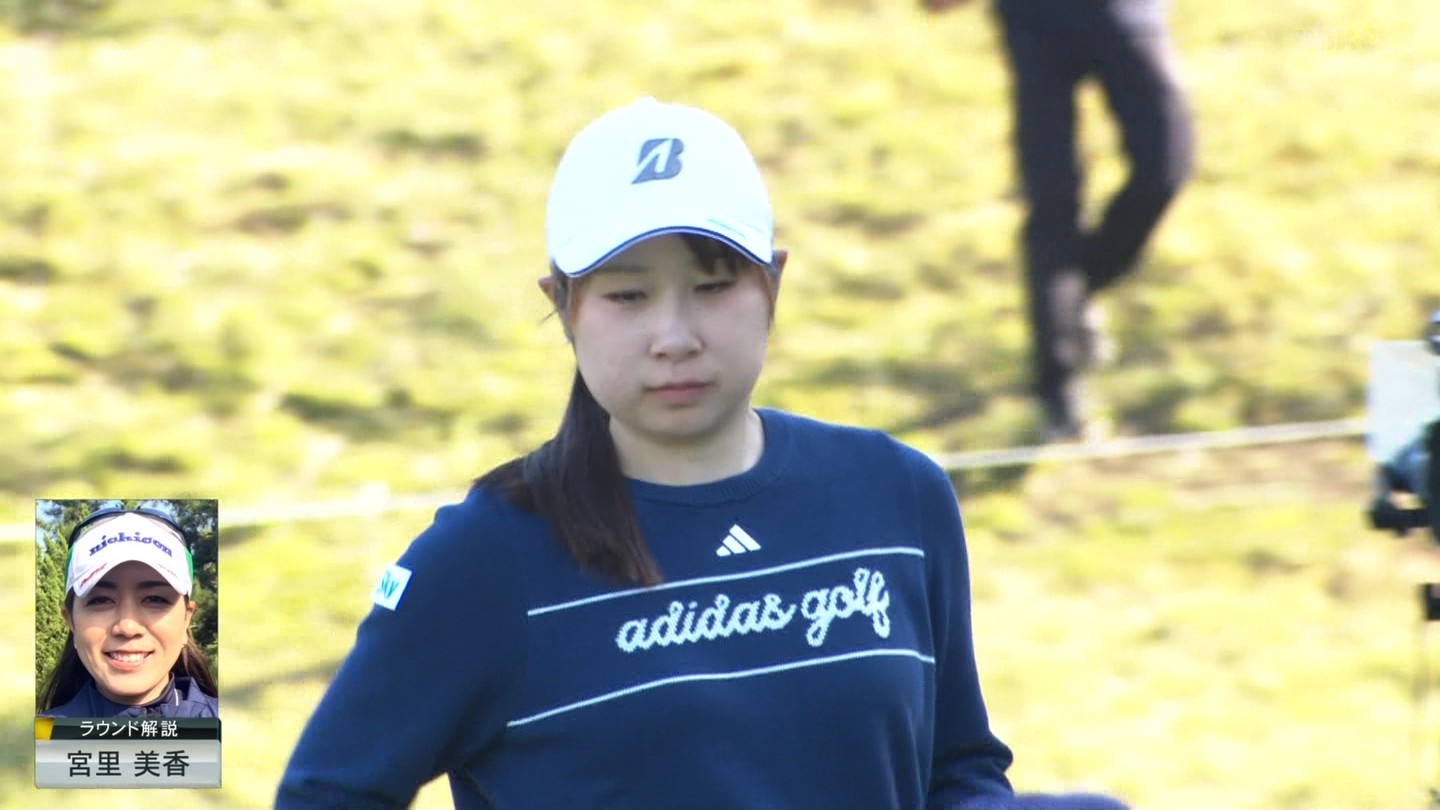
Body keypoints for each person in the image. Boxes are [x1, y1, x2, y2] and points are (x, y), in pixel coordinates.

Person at [275, 97, 1017, 810]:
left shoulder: (895, 494)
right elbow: (327, 793)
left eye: (712, 286)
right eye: (628, 296)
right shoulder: (487, 556)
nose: (674, 337)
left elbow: (958, 766)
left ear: (773, 284)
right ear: (563, 305)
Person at [924, 0, 1195, 440]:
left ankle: (1073, 298)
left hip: (1125, 15)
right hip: (1037, 21)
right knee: (1052, 201)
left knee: (1163, 169)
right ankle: (1057, 385)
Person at [37, 507, 218, 718]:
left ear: (186, 619)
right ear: (71, 622)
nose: (128, 627)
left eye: (155, 599)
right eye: (101, 600)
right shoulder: (40, 736)